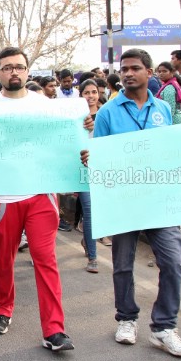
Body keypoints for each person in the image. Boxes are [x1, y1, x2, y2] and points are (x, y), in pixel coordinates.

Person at [85, 48, 181, 357]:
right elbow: (99, 155)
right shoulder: (107, 113)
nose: (128, 73)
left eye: (134, 68)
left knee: (172, 261)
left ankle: (164, 327)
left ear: (148, 72)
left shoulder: (163, 109)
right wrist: (92, 158)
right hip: (124, 201)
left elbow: (171, 149)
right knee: (122, 264)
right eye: (124, 68)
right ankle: (127, 318)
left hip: (160, 200)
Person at [0, 48, 74, 351]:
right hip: (1, 196)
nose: (14, 72)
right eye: (8, 67)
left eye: (20, 67)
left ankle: (54, 329)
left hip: (39, 195)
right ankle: (2, 310)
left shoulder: (46, 106)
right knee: (3, 259)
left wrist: (83, 134)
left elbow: (65, 144)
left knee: (45, 260)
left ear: (27, 71)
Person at [77, 79, 103, 273]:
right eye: (87, 92)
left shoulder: (106, 114)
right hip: (83, 169)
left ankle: (87, 239)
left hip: (104, 168)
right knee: (90, 211)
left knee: (98, 212)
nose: (91, 96)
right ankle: (93, 257)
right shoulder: (75, 116)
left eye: (94, 92)